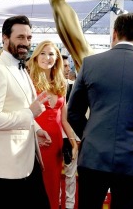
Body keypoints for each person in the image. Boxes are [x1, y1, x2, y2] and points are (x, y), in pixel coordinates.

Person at [67, 12, 133, 209]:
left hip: (93, 158)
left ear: (114, 33)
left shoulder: (90, 64)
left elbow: (73, 112)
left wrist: (91, 136)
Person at [0, 15, 52, 209]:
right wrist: (30, 114)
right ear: (5, 38)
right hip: (6, 168)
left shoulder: (22, 68)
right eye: (20, 37)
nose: (26, 43)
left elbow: (18, 108)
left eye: (29, 38)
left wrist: (36, 129)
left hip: (27, 162)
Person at [27, 40, 78, 209]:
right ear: (36, 56)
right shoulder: (29, 81)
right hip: (35, 139)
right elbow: (25, 112)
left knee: (53, 184)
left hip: (55, 142)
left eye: (51, 54)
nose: (46, 57)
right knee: (35, 186)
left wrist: (72, 141)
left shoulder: (61, 83)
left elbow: (63, 119)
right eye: (42, 53)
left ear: (56, 58)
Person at [60, 54, 79, 209]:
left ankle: (69, 205)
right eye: (65, 66)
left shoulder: (74, 87)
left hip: (71, 136)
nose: (68, 69)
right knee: (53, 175)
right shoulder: (47, 87)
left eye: (68, 66)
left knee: (70, 176)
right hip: (53, 137)